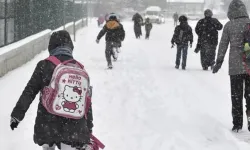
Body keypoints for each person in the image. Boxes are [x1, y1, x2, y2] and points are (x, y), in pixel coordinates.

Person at [10, 30, 94, 150]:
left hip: (47, 124)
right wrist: (88, 129)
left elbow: (29, 91)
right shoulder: (80, 70)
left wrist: (17, 115)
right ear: (70, 47)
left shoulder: (44, 65)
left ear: (51, 47)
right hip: (74, 128)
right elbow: (86, 103)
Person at [213, 0, 250, 132]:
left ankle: (237, 124)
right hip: (249, 65)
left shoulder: (229, 25)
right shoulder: (249, 23)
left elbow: (223, 45)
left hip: (235, 67)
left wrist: (219, 61)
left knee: (236, 96)